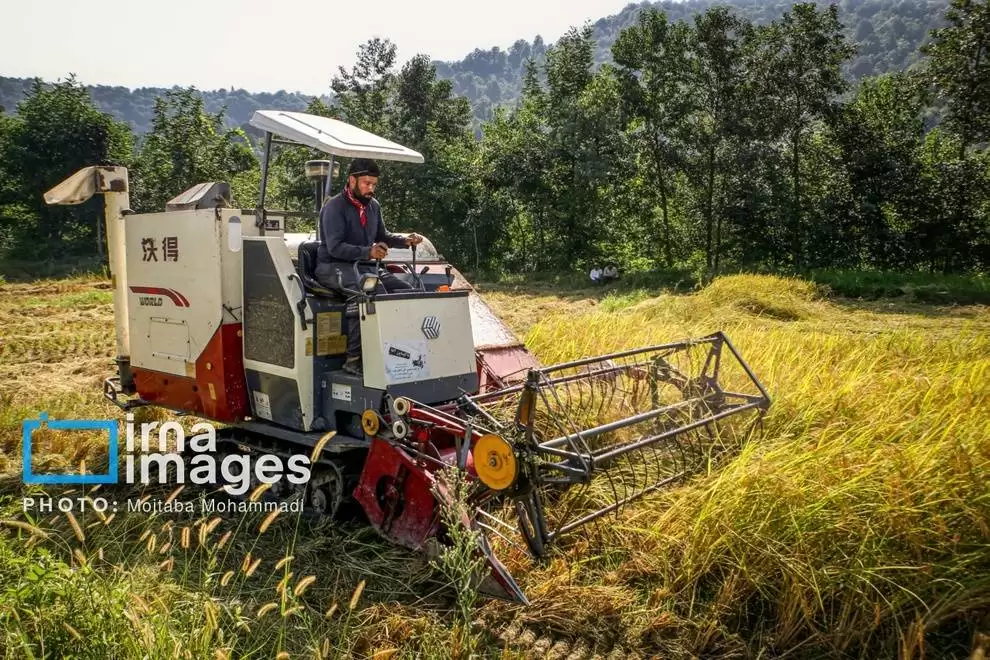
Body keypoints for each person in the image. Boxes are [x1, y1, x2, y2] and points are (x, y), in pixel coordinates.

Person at [314, 157, 423, 376]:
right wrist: (368, 252)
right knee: (369, 291)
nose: (370, 188)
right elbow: (335, 248)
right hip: (332, 266)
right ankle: (354, 360)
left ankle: (399, 353)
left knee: (408, 291)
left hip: (364, 267)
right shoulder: (334, 207)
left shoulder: (374, 207)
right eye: (366, 183)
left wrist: (404, 240)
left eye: (374, 184)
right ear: (351, 180)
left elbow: (382, 235)